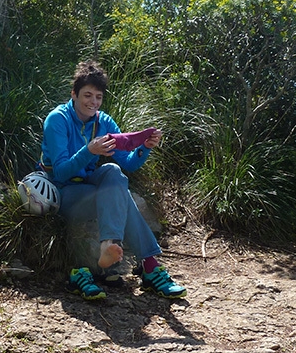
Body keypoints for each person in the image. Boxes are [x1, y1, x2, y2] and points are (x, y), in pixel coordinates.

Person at [39, 60, 186, 301]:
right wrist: (90, 151)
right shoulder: (58, 120)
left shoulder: (103, 122)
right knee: (121, 195)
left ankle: (109, 244)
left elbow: (127, 164)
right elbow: (61, 172)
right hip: (63, 192)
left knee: (113, 172)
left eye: (98, 97)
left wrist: (144, 148)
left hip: (90, 187)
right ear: (73, 94)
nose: (93, 102)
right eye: (87, 95)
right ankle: (150, 266)